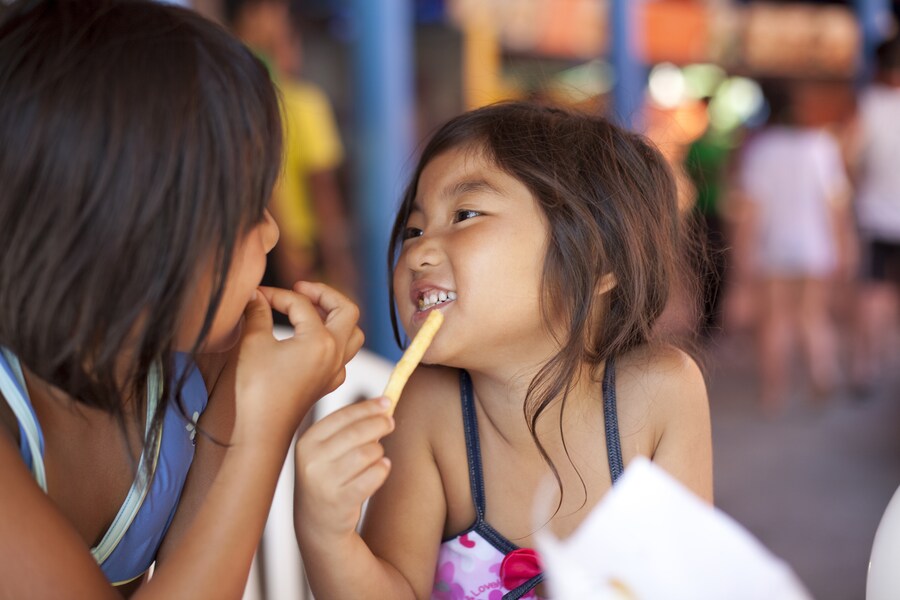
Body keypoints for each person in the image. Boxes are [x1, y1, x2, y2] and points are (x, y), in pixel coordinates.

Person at [0, 1, 362, 597]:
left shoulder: (181, 370)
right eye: (245, 210)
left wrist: (244, 400)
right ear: (134, 233)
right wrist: (265, 425)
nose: (271, 234)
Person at [293, 102, 713, 599]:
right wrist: (325, 533)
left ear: (598, 259)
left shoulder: (661, 393)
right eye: (414, 229)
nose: (418, 251)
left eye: (465, 214)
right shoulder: (429, 409)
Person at [732, 83, 853, 415]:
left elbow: (749, 211)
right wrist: (843, 246)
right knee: (813, 315)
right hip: (815, 247)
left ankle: (774, 391)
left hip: (773, 249)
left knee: (775, 321)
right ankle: (822, 375)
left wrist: (743, 256)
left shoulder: (761, 151)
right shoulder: (822, 147)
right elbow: (836, 206)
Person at [225, 0, 359, 300]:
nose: (281, 23)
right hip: (294, 248)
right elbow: (322, 189)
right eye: (277, 13)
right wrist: (337, 262)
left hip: (240, 248)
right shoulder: (299, 101)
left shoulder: (226, 92)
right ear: (254, 13)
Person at [847, 34, 900, 395]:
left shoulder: (869, 106)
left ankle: (866, 368)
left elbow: (848, 156)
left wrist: (860, 186)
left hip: (877, 214)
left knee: (874, 291)